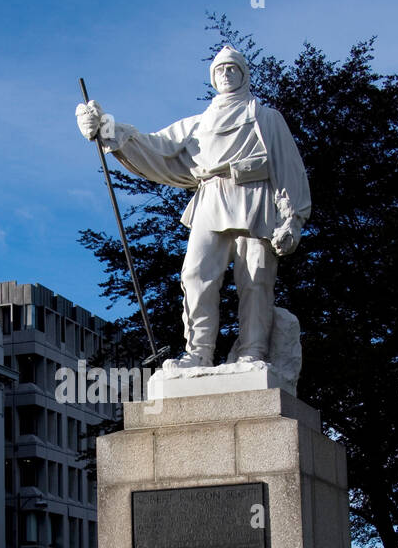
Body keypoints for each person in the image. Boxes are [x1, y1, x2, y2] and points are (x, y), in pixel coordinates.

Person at [76, 46, 311, 369]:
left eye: (232, 69)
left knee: (255, 277)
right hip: (212, 197)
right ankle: (198, 352)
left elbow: (287, 167)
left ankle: (253, 350)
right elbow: (155, 145)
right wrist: (106, 129)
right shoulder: (199, 124)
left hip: (254, 197)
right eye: (220, 70)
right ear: (212, 78)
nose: (226, 75)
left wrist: (292, 218)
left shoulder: (265, 118)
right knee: (196, 274)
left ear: (244, 74)